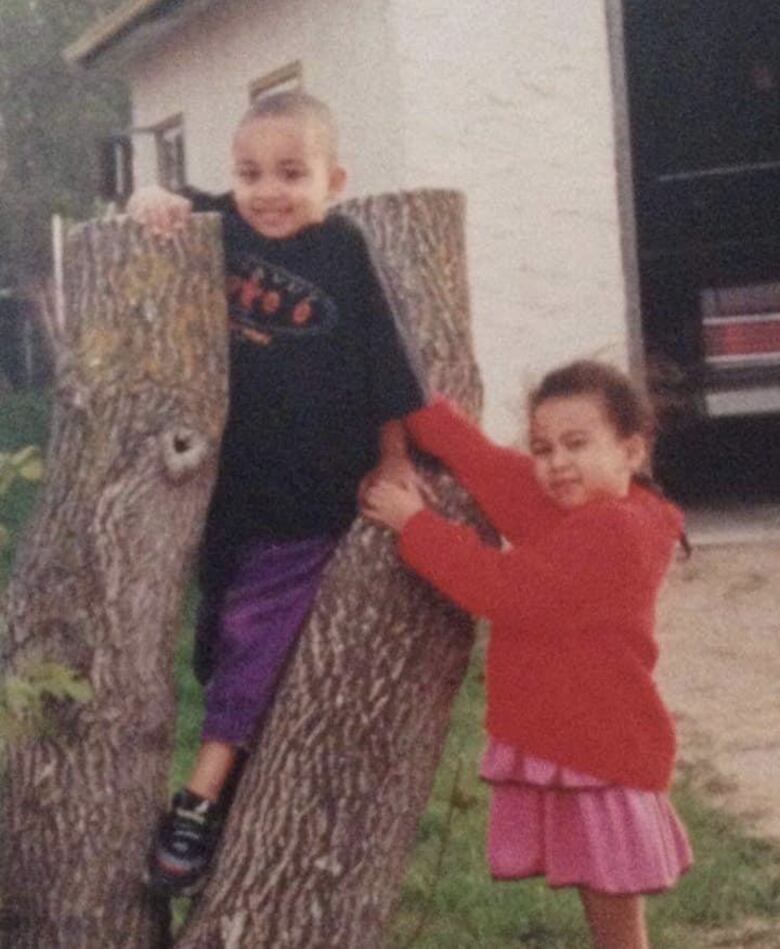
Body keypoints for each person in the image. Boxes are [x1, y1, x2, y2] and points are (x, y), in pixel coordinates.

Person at [128, 91, 425, 897]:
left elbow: (385, 369)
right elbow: (175, 204)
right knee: (221, 639)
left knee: (255, 643)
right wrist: (154, 198)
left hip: (308, 499)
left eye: (292, 174)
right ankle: (233, 767)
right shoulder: (222, 225)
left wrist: (395, 459)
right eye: (251, 172)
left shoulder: (344, 252)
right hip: (226, 493)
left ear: (334, 179)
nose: (268, 191)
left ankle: (200, 797)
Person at [362, 360, 692, 949]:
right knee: (605, 906)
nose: (556, 463)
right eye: (542, 448)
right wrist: (410, 393)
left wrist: (415, 525)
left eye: (576, 444)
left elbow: (502, 590)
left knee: (616, 920)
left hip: (602, 748)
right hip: (584, 739)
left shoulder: (615, 533)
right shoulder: (594, 511)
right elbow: (487, 466)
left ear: (631, 451)